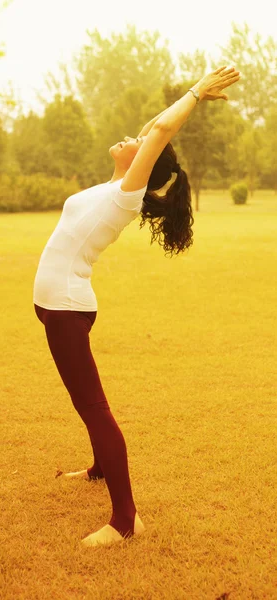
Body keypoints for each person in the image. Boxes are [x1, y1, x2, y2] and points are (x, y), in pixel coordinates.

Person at [33, 66, 240, 547]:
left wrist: (194, 92)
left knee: (93, 407)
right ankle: (98, 470)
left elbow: (161, 131)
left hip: (66, 307)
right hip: (59, 305)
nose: (134, 135)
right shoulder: (113, 186)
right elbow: (154, 129)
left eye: (138, 140)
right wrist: (166, 120)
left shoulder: (127, 196)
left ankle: (126, 520)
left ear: (144, 164)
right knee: (85, 403)